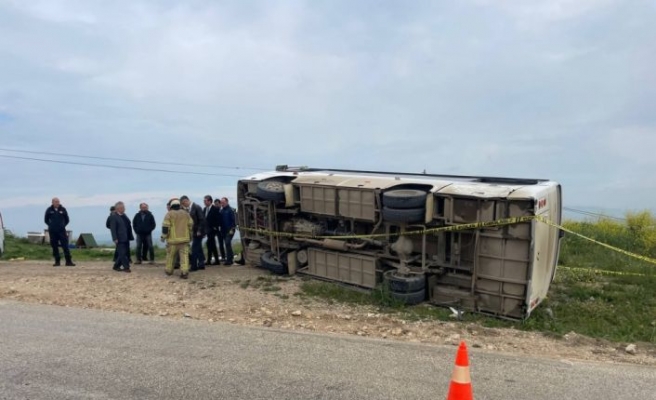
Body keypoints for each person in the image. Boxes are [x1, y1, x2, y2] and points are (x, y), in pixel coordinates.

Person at [161, 198, 193, 279]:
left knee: (171, 256)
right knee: (184, 257)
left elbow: (165, 227)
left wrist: (163, 237)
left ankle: (169, 270)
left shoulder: (169, 214)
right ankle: (184, 272)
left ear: (171, 205)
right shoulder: (186, 214)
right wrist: (190, 236)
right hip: (184, 240)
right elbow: (191, 225)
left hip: (173, 241)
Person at [44, 197, 75, 267]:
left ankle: (68, 261)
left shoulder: (63, 209)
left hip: (61, 231)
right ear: (52, 203)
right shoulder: (49, 210)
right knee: (54, 246)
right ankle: (57, 261)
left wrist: (63, 225)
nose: (57, 203)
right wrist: (51, 225)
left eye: (58, 202)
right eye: (56, 202)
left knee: (65, 245)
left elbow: (67, 219)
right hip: (53, 231)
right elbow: (46, 220)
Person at [181, 195, 206, 271]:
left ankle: (194, 266)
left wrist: (199, 230)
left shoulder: (196, 207)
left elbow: (202, 219)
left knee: (194, 248)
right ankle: (201, 263)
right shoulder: (188, 209)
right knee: (198, 248)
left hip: (199, 231)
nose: (183, 205)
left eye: (183, 203)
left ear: (186, 201)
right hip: (194, 231)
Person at [109, 201, 135, 273]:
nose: (124, 209)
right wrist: (115, 238)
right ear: (118, 208)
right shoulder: (114, 217)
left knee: (124, 252)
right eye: (122, 208)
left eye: (124, 207)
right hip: (119, 238)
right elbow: (113, 228)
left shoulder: (124, 215)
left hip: (126, 236)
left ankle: (116, 266)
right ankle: (126, 267)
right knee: (122, 253)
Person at [203, 195, 221, 265]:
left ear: (210, 201)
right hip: (207, 230)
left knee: (209, 243)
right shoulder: (204, 209)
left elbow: (218, 219)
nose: (204, 202)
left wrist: (215, 227)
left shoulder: (215, 209)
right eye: (204, 201)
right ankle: (215, 260)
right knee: (211, 245)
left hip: (213, 230)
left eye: (205, 201)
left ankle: (210, 260)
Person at [219, 197, 237, 265]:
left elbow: (234, 221)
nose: (222, 204)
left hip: (230, 230)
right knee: (227, 244)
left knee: (227, 243)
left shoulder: (231, 210)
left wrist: (232, 229)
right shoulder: (221, 211)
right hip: (223, 231)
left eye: (223, 202)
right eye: (221, 203)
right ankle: (230, 258)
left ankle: (229, 260)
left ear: (227, 202)